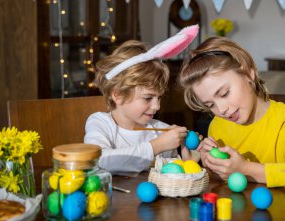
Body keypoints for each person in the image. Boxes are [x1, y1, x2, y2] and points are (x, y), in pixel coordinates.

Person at [178, 37, 285, 190]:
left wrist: (247, 169)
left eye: (224, 93)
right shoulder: (217, 127)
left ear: (248, 73)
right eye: (210, 105)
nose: (221, 109)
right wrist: (212, 166)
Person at [84, 25, 200, 175]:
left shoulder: (160, 131)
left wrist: (187, 161)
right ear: (118, 95)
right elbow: (98, 160)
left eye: (159, 98)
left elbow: (170, 173)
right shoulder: (100, 123)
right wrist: (156, 146)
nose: (157, 106)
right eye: (148, 98)